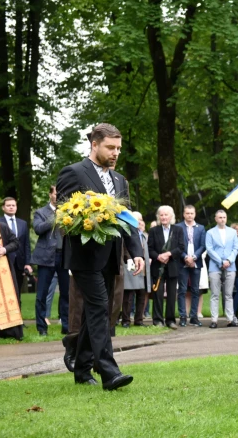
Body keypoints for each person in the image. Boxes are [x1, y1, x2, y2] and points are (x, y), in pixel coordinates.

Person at [56, 123, 144, 390]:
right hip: (83, 258)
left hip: (110, 257)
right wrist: (87, 221)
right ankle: (108, 371)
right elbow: (63, 216)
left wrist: (136, 253)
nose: (116, 152)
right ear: (94, 145)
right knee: (98, 309)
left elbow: (126, 221)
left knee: (96, 312)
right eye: (110, 147)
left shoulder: (119, 181)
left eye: (118, 148)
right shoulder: (73, 172)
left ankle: (81, 368)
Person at [31, 186, 70, 336]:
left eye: (61, 194)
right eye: (56, 193)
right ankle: (42, 328)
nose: (58, 196)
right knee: (42, 294)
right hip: (46, 258)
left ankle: (66, 326)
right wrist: (55, 217)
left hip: (64, 256)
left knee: (66, 293)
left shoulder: (69, 211)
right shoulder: (40, 212)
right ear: (50, 195)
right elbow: (38, 229)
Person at [148, 206, 185, 330]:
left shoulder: (178, 230)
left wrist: (169, 254)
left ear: (171, 216)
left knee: (171, 294)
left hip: (172, 266)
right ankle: (157, 320)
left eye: (166, 215)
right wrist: (158, 256)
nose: (163, 217)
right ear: (158, 217)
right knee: (157, 294)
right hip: (157, 267)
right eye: (161, 215)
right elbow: (149, 249)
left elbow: (181, 247)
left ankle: (170, 320)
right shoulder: (153, 231)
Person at [205, 209, 238, 328]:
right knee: (215, 293)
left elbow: (236, 248)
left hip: (231, 266)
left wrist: (229, 260)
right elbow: (209, 249)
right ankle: (214, 319)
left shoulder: (232, 232)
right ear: (216, 219)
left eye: (224, 217)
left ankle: (230, 319)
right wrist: (220, 261)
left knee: (228, 294)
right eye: (220, 217)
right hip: (215, 266)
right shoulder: (210, 233)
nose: (222, 219)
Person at [0, 197, 32, 309]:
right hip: (4, 260)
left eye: (13, 205)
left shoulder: (23, 223)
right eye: (8, 205)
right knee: (5, 291)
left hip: (19, 263)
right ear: (3, 207)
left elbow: (26, 244)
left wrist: (28, 263)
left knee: (17, 291)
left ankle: (18, 321)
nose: (11, 207)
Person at [176, 205, 206, 327]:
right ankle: (183, 316)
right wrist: (185, 257)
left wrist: (194, 258)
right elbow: (176, 245)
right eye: (187, 213)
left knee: (195, 290)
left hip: (196, 261)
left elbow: (203, 245)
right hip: (182, 261)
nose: (189, 215)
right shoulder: (178, 227)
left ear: (195, 214)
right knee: (182, 290)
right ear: (184, 214)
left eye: (191, 213)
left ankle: (194, 316)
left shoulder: (201, 228)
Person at [121, 213, 150, 328]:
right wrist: (130, 260)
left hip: (143, 268)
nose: (139, 222)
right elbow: (125, 249)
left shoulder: (144, 235)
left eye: (141, 219)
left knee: (141, 295)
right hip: (130, 266)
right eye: (136, 219)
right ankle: (126, 320)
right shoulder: (127, 234)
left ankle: (139, 319)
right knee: (128, 296)